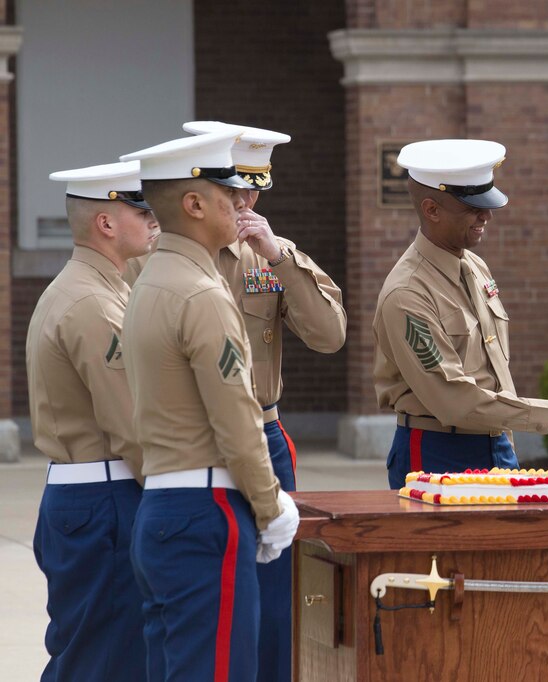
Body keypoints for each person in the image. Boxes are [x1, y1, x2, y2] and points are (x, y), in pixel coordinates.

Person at [119, 129, 299, 681]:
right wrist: (271, 510)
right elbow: (236, 417)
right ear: (194, 204)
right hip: (204, 513)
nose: (241, 203)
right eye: (229, 193)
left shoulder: (152, 281)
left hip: (164, 508)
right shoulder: (201, 292)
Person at [182, 120, 346, 682]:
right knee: (207, 592)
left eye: (255, 192)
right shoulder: (173, 259)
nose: (246, 203)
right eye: (235, 190)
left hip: (265, 436)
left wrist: (277, 255)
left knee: (279, 599)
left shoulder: (272, 257)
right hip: (196, 442)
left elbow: (330, 335)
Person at [373, 138, 548, 488]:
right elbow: (452, 399)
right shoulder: (407, 293)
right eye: (473, 207)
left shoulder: (474, 266)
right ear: (432, 209)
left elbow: (494, 374)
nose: (486, 216)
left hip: (497, 445)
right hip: (438, 453)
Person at [28, 160, 157, 681]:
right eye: (141, 209)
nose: (154, 220)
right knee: (100, 660)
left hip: (95, 498)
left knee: (103, 654)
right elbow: (134, 428)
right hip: (104, 501)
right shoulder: (92, 303)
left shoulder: (101, 289)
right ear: (106, 223)